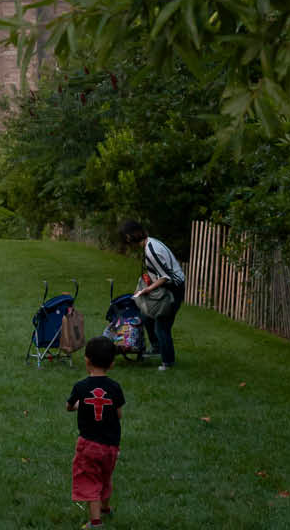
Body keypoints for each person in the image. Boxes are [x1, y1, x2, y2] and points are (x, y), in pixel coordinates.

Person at [66, 335, 125, 530]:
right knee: (105, 477)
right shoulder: (115, 387)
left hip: (89, 444)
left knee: (90, 479)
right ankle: (106, 509)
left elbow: (70, 406)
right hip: (111, 445)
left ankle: (96, 522)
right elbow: (119, 414)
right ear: (112, 364)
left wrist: (79, 404)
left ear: (87, 360)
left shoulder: (81, 387)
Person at [119, 219, 186, 370]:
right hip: (169, 286)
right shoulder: (151, 243)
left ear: (131, 235)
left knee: (162, 326)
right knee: (146, 316)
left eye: (126, 237)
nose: (126, 240)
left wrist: (147, 290)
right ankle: (156, 347)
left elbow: (165, 277)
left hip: (173, 289)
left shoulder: (151, 250)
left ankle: (167, 362)